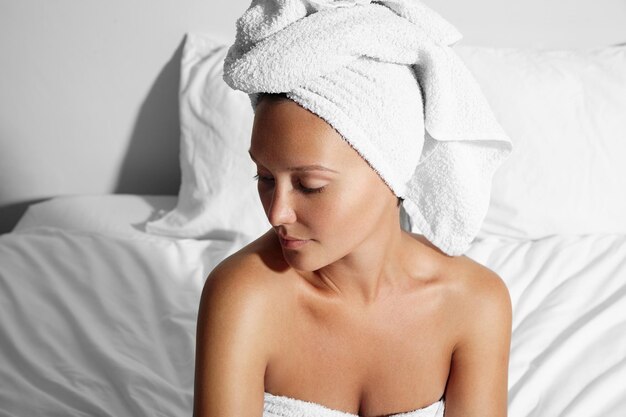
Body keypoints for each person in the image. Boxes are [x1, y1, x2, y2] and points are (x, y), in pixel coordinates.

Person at [194, 1, 512, 416]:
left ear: (390, 172)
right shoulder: (243, 297)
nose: (277, 214)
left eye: (310, 185)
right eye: (265, 178)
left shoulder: (474, 303)